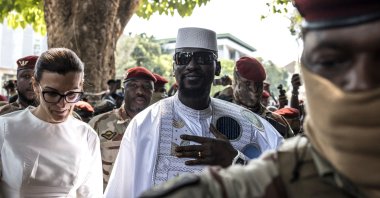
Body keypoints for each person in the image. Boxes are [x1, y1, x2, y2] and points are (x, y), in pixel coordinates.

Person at [140, 1, 380, 197]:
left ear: (215, 68)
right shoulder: (149, 122)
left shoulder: (272, 125)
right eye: (332, 61)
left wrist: (232, 158)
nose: (361, 82)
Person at [104, 27, 283, 198]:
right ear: (174, 67)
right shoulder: (146, 123)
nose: (192, 65)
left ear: (218, 68)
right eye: (183, 57)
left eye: (203, 58)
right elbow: (120, 191)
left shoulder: (251, 125)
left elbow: (288, 183)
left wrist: (236, 160)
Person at [0, 48, 102, 197]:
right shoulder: (5, 129)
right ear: (35, 85)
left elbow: (91, 194)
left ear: (81, 86)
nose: (62, 104)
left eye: (72, 94)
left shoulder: (86, 135)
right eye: (52, 94)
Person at [88, 66, 156, 189]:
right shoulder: (98, 124)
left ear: (153, 92)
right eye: (133, 86)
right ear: (123, 89)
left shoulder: (161, 126)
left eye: (147, 87)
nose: (140, 91)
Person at [217, 57, 294, 138]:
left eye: (258, 84)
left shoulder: (278, 123)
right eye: (247, 83)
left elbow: (291, 149)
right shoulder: (218, 113)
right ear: (235, 83)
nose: (254, 89)